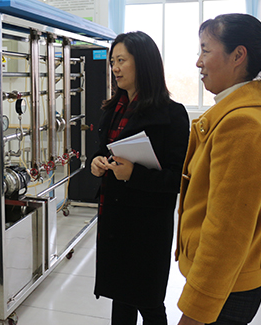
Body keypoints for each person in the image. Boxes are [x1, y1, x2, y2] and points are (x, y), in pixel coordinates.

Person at [176, 13, 261, 325]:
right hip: (229, 281)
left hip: (226, 288)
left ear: (238, 56)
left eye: (206, 51)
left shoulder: (241, 124)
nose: (198, 62)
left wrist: (194, 313)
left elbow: (225, 235)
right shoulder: (241, 113)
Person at [90, 31, 190, 324]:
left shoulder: (172, 115)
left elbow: (178, 179)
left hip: (147, 227)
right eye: (112, 61)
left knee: (148, 302)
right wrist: (97, 162)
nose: (115, 68)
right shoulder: (113, 108)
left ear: (143, 63)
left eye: (121, 60)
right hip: (115, 219)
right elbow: (104, 150)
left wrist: (134, 174)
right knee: (120, 298)